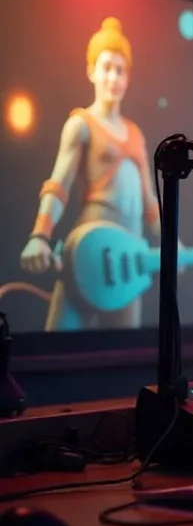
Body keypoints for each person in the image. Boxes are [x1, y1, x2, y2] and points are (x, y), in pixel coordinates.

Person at [18, 18, 164, 331]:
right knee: (57, 349)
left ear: (128, 77)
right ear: (91, 71)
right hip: (87, 252)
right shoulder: (81, 124)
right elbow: (58, 186)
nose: (113, 77)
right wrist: (40, 235)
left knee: (123, 355)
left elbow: (150, 201)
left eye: (120, 70)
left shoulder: (136, 134)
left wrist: (170, 239)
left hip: (129, 262)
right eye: (107, 67)